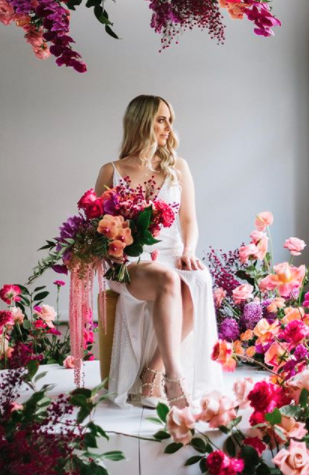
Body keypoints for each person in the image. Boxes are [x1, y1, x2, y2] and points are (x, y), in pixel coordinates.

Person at [94, 95, 222, 409]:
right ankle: (174, 379)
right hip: (132, 262)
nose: (168, 127)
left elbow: (189, 219)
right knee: (167, 278)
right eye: (161, 119)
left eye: (169, 120)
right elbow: (98, 227)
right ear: (141, 123)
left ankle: (154, 372)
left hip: (173, 252)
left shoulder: (177, 166)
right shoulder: (111, 171)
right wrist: (115, 250)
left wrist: (189, 250)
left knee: (199, 280)